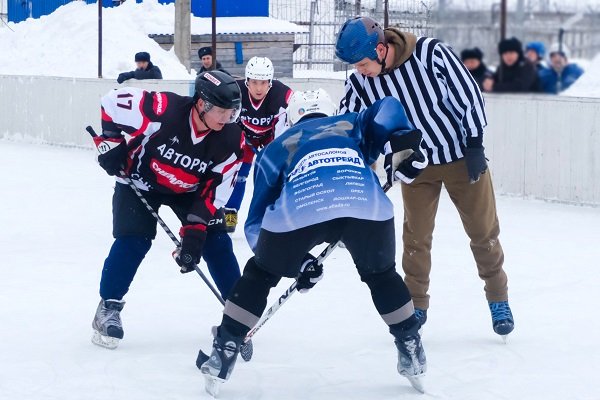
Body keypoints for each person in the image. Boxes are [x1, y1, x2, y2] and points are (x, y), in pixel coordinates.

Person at [199, 89, 428, 394]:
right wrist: (405, 144)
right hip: (366, 204)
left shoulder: (274, 149)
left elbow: (256, 224)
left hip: (301, 210)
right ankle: (410, 344)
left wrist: (295, 263)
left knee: (261, 273)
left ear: (291, 118)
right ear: (330, 110)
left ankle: (225, 348)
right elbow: (389, 108)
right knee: (381, 275)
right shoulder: (352, 123)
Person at [335, 16, 514, 338]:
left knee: (483, 232)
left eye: (362, 63)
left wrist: (474, 144)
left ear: (380, 48)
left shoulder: (430, 53)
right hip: (415, 166)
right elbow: (349, 121)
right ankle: (416, 304)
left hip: (461, 158)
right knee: (415, 239)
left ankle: (498, 298)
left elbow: (468, 95)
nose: (359, 70)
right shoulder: (361, 81)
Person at [91, 71, 244, 350]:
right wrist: (112, 142)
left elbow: (214, 193)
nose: (228, 119)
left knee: (217, 243)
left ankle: (239, 317)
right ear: (202, 104)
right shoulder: (162, 109)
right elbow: (111, 101)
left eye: (232, 112)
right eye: (222, 111)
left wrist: (195, 232)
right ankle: (108, 308)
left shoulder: (232, 141)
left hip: (189, 192)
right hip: (138, 180)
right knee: (133, 240)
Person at [223, 56, 293, 232]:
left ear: (270, 81)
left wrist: (274, 154)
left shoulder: (281, 94)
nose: (259, 88)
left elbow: (283, 131)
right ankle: (230, 213)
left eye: (263, 82)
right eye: (254, 82)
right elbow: (226, 120)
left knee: (272, 174)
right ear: (247, 81)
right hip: (244, 136)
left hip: (270, 136)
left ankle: (272, 214)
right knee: (239, 174)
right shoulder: (234, 91)